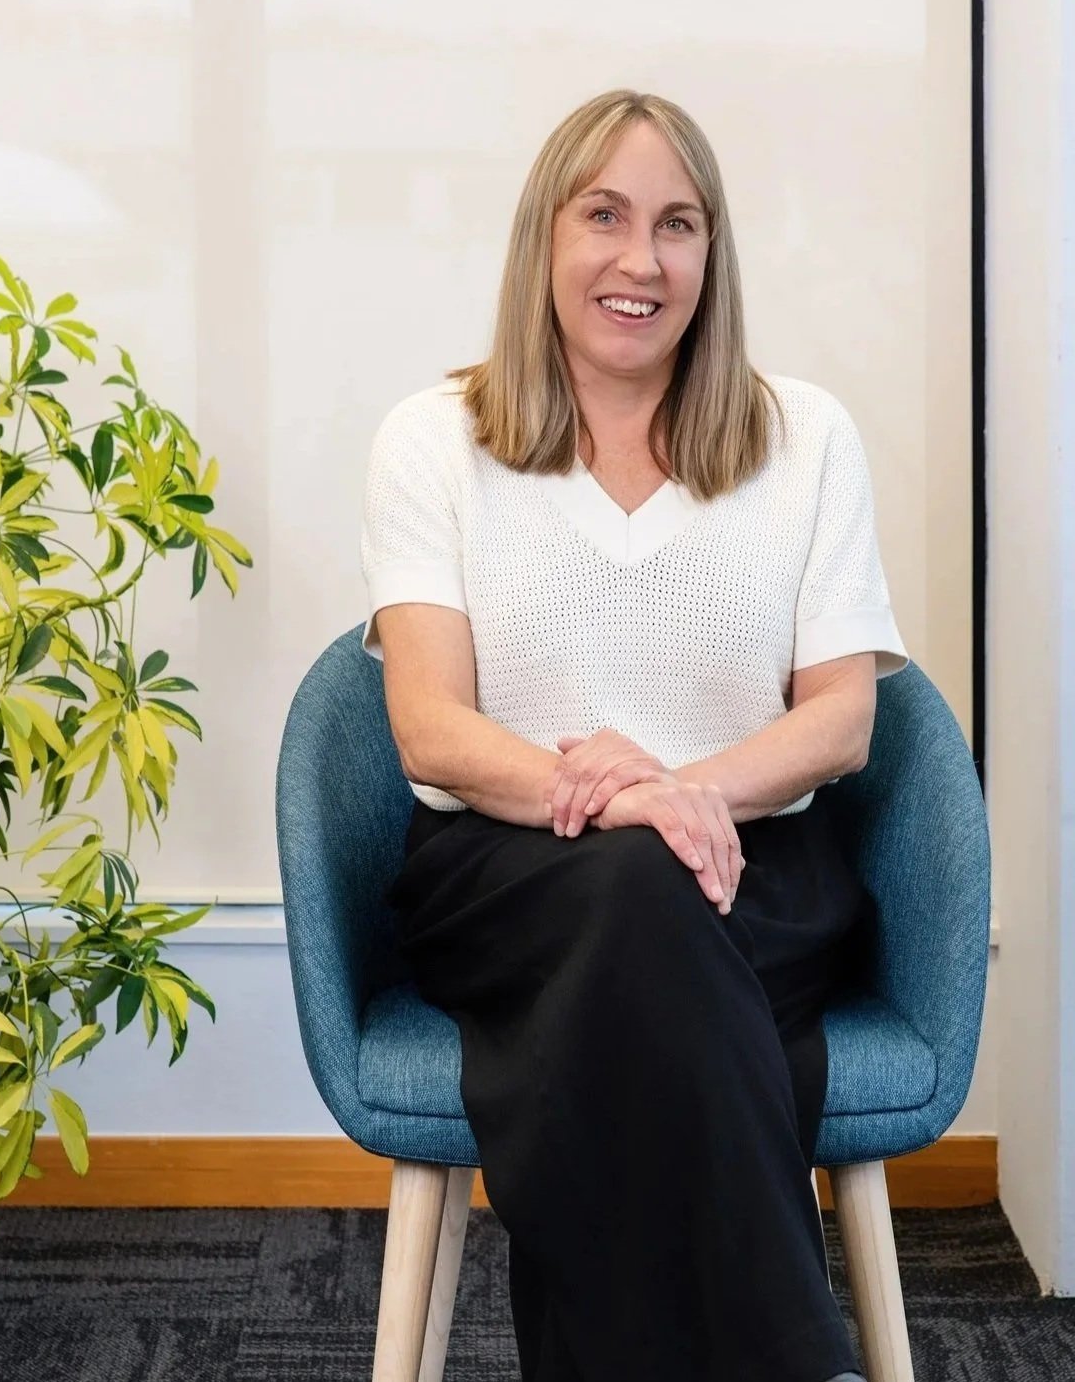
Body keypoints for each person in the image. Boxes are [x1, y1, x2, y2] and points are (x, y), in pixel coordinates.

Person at [360, 88, 908, 1382]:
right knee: (632, 900)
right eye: (604, 215)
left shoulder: (805, 437)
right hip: (508, 874)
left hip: (753, 873)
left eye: (677, 224)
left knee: (631, 970)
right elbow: (428, 728)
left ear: (712, 253)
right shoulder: (432, 439)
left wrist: (683, 794)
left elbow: (842, 717)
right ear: (543, 238)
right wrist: (622, 802)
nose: (641, 259)